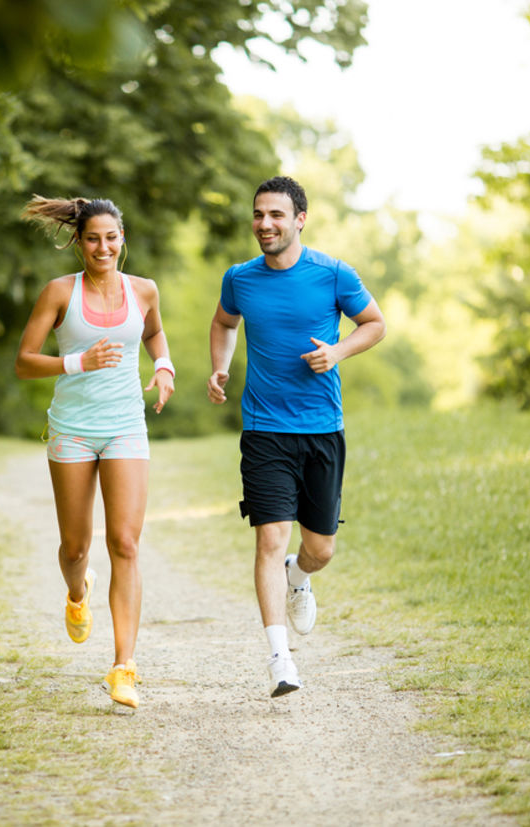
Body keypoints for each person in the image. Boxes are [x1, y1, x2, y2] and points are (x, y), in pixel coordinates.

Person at [208, 176, 385, 697]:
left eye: (276, 215)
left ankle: (299, 577)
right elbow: (223, 323)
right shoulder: (240, 279)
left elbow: (374, 323)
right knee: (269, 537)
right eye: (259, 214)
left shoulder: (332, 274)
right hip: (264, 430)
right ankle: (280, 660)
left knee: (321, 549)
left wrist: (337, 352)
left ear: (300, 219)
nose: (265, 224)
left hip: (322, 429)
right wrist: (220, 367)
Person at [15, 195, 175, 709]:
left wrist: (165, 364)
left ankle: (123, 666)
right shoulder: (60, 292)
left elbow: (151, 331)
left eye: (111, 237)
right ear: (79, 242)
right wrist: (77, 362)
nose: (102, 247)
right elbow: (24, 361)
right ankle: (78, 590)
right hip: (74, 430)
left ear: (122, 238)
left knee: (125, 543)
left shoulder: (144, 290)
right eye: (92, 238)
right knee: (76, 548)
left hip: (126, 425)